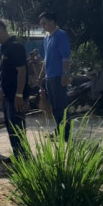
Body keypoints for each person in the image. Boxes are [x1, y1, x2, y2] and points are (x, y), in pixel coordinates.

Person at [0, 20, 29, 159]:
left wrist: (19, 95)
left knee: (17, 127)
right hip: (7, 94)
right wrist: (0, 92)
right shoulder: (3, 47)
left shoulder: (15, 47)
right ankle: (17, 156)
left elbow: (21, 71)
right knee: (11, 127)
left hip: (16, 95)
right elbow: (4, 73)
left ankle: (23, 158)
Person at [38, 12, 72, 140]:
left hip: (58, 76)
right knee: (55, 107)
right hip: (49, 78)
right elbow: (46, 59)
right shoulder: (46, 38)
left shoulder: (61, 35)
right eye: (41, 24)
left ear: (53, 21)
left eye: (45, 23)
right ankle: (59, 130)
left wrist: (65, 74)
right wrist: (40, 76)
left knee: (62, 107)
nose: (43, 26)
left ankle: (67, 135)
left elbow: (65, 57)